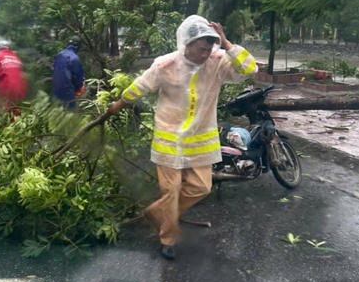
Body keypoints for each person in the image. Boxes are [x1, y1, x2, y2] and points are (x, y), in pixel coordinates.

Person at [107, 15, 257, 260]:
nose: (206, 52)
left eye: (210, 47)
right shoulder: (166, 65)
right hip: (169, 139)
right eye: (201, 48)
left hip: (201, 140)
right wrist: (119, 103)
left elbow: (249, 69)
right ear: (186, 44)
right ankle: (167, 238)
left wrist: (227, 44)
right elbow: (141, 85)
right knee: (171, 190)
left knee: (201, 187)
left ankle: (156, 213)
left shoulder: (218, 62)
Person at [0, 40, 27, 110]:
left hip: (7, 88)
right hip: (20, 89)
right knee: (16, 111)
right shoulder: (14, 56)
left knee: (4, 112)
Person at [52, 36, 85, 108]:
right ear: (78, 46)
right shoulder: (75, 58)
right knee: (70, 113)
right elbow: (77, 78)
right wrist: (79, 88)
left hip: (55, 91)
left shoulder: (59, 55)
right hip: (68, 93)